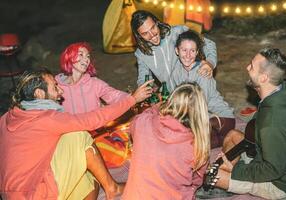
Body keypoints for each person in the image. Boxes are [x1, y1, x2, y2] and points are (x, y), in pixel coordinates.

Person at [0, 69, 152, 199]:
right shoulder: (45, 119)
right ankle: (112, 188)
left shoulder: (7, 117)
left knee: (90, 180)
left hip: (13, 193)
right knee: (78, 135)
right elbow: (92, 120)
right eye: (55, 87)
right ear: (39, 94)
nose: (61, 91)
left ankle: (106, 186)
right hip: (34, 194)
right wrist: (132, 99)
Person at [214, 48, 286, 199]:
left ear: (263, 78)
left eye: (251, 66)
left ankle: (229, 173)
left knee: (212, 175)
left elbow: (272, 169)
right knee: (232, 135)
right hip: (272, 154)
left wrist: (237, 170)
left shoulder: (272, 123)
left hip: (280, 183)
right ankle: (228, 166)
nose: (247, 68)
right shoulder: (284, 91)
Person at [122, 82, 211, 200]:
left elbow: (144, 115)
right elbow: (196, 181)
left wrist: (158, 106)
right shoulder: (196, 146)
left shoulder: (142, 121)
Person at [171, 30, 235, 148]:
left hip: (220, 117)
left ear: (197, 52)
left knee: (189, 141)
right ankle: (219, 141)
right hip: (199, 120)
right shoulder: (176, 72)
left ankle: (223, 139)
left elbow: (201, 106)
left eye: (192, 51)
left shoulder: (203, 71)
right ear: (177, 51)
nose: (188, 55)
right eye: (184, 50)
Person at [131, 10, 217, 90]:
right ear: (139, 36)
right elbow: (144, 80)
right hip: (173, 97)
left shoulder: (177, 32)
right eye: (145, 33)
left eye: (152, 27)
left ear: (157, 22)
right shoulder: (141, 54)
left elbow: (208, 44)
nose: (152, 35)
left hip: (196, 88)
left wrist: (210, 63)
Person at [55, 42, 128, 114]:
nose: (86, 59)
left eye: (88, 56)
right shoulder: (57, 86)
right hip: (70, 125)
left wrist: (132, 98)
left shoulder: (94, 84)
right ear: (69, 57)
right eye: (81, 54)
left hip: (94, 125)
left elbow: (115, 96)